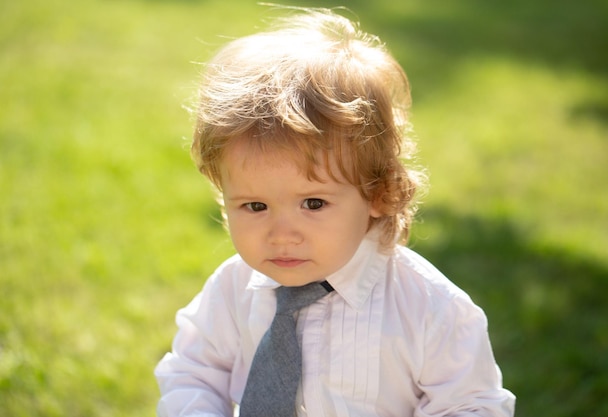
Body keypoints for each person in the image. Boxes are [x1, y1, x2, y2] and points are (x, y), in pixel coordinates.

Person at [155, 7, 515, 417]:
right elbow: (194, 371)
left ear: (379, 192)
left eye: (313, 204)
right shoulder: (232, 289)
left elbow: (471, 405)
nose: (281, 234)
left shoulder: (431, 310)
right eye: (255, 206)